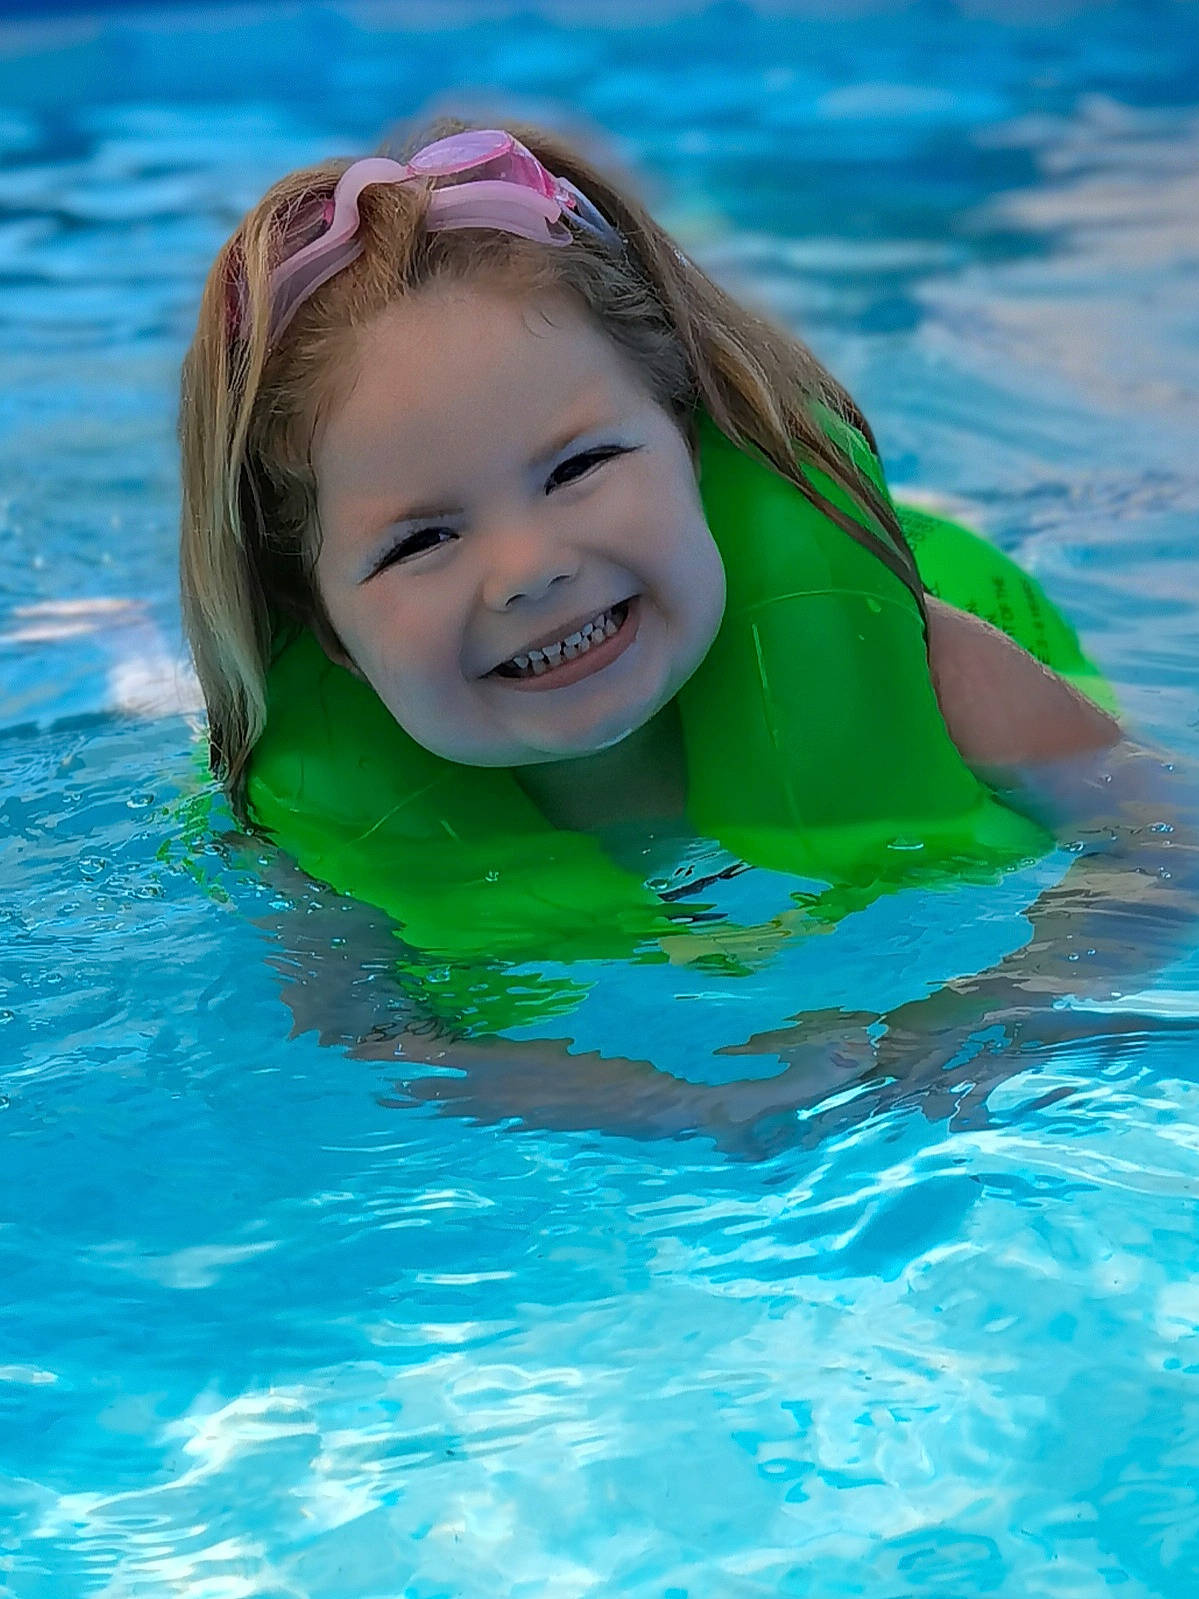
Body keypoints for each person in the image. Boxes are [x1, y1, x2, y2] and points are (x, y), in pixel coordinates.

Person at [178, 117, 1193, 1151]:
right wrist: (672, 1110)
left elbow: (1170, 846)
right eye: (422, 538)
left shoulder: (927, 665)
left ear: (689, 440)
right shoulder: (314, 840)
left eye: (576, 467)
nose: (530, 570)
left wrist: (964, 1028)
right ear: (327, 626)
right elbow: (369, 1038)